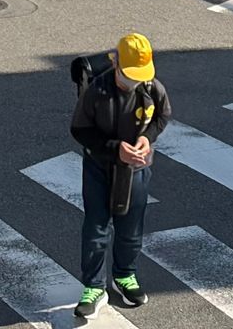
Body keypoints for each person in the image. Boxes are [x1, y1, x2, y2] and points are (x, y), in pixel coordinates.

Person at [70, 33, 171, 321]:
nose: (135, 81)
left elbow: (162, 116)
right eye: (130, 75)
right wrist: (115, 149)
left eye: (141, 75)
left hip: (136, 169)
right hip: (99, 167)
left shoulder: (152, 87)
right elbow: (79, 130)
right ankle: (93, 286)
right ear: (117, 66)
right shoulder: (97, 91)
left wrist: (147, 140)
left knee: (131, 226)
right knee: (96, 228)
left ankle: (125, 275)